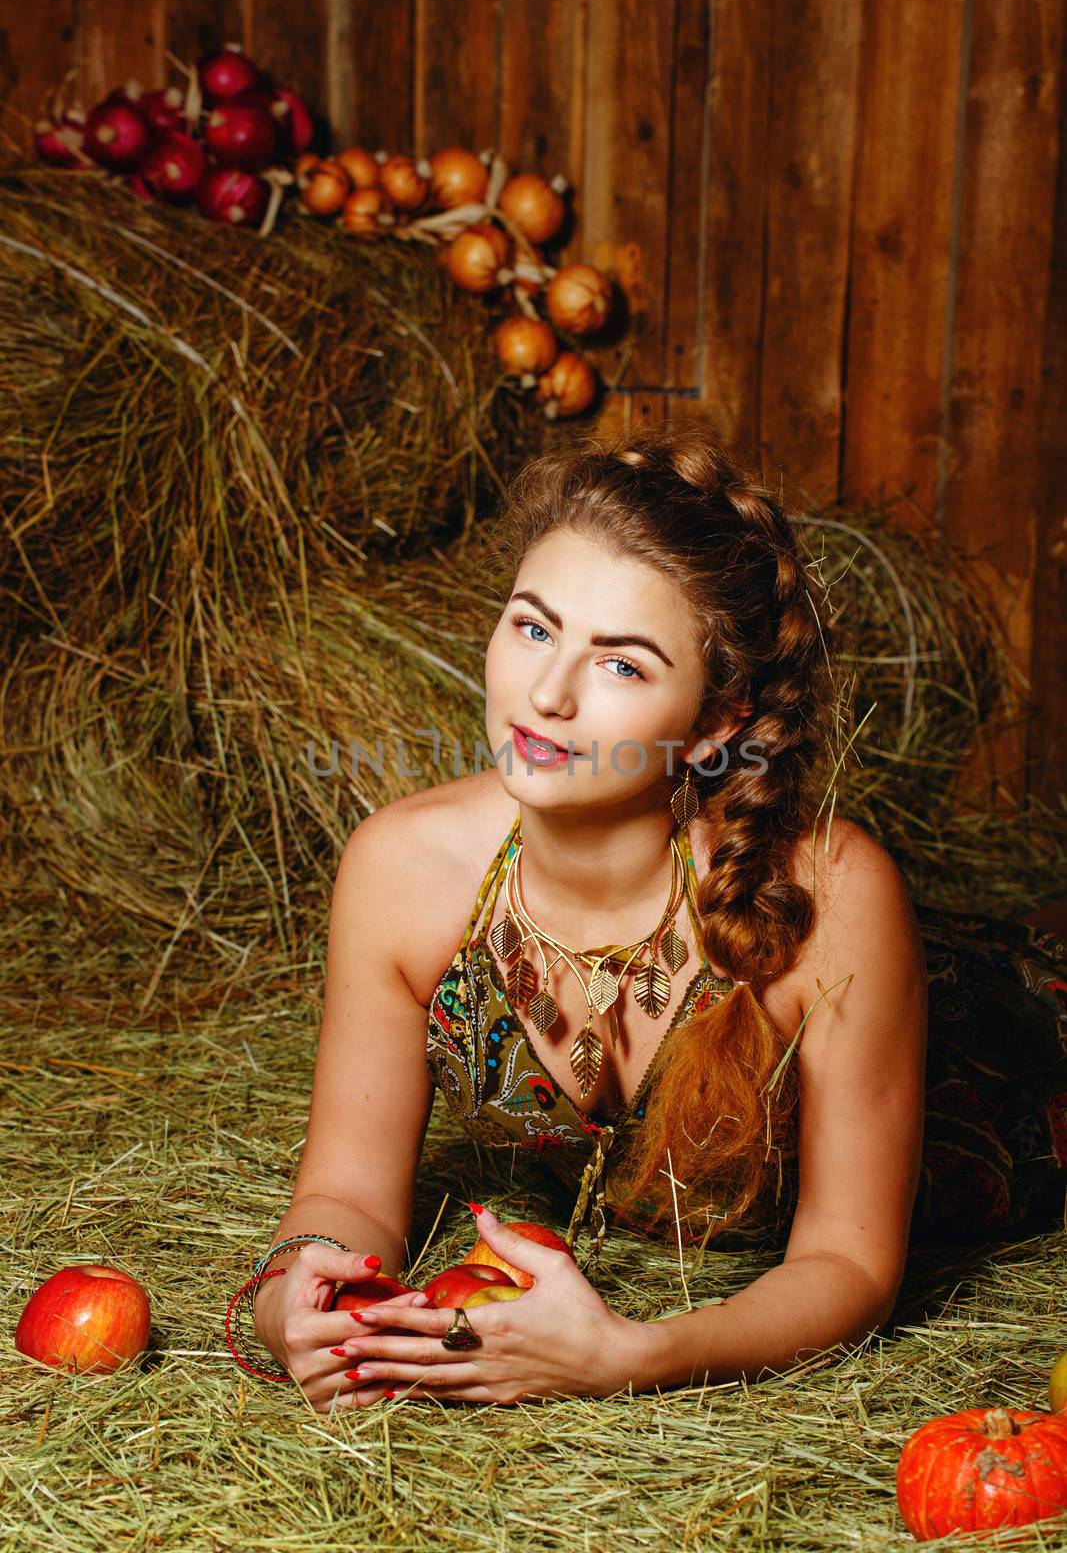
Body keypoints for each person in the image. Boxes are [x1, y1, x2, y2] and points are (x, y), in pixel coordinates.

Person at [242, 421, 1067, 1411]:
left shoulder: (837, 893)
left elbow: (849, 1262)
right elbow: (344, 1192)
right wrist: (299, 1289)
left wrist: (626, 1357)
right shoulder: (398, 869)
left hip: (1007, 1058)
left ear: (716, 718)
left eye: (620, 664)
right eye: (532, 626)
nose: (543, 694)